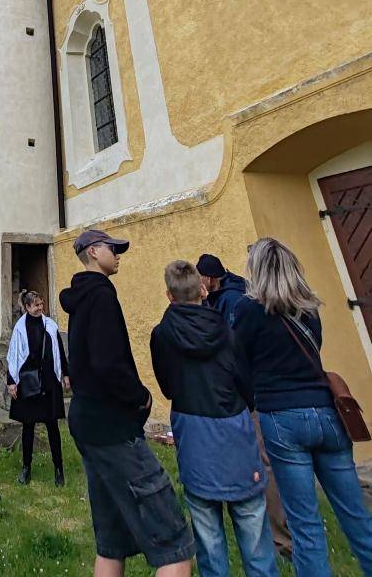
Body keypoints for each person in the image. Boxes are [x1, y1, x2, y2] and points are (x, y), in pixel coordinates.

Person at [234, 237, 372, 577]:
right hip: (326, 412)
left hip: (282, 417)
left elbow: (239, 363)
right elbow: (314, 351)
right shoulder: (308, 308)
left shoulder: (248, 310)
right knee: (355, 513)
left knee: (304, 522)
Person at [60, 229, 194, 577]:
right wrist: (141, 397)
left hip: (87, 420)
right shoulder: (102, 295)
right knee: (174, 545)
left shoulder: (81, 296)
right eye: (112, 248)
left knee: (111, 542)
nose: (118, 254)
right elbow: (107, 363)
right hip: (112, 425)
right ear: (93, 252)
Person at [151, 260, 278, 577]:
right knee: (254, 535)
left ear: (169, 295)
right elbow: (245, 384)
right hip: (233, 429)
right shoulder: (225, 329)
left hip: (193, 433)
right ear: (203, 289)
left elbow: (167, 387)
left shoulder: (162, 335)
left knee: (209, 541)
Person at [6, 289, 69, 486]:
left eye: (41, 304)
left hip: (49, 382)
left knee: (53, 427)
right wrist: (11, 381)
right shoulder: (19, 328)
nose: (40, 308)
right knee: (28, 427)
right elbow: (14, 356)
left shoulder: (50, 326)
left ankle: (59, 469)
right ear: (27, 307)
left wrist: (65, 374)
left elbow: (59, 350)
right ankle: (26, 468)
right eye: (36, 305)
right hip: (29, 382)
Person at [196, 253, 247, 327]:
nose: (197, 282)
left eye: (199, 277)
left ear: (209, 279)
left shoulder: (231, 298)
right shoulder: (223, 291)